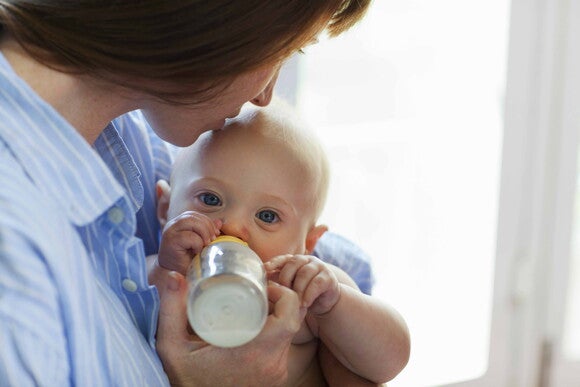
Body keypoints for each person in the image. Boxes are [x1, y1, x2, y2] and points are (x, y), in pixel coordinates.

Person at [0, 1, 374, 385]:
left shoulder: (131, 131)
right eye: (279, 51)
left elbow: (346, 268)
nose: (263, 97)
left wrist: (336, 304)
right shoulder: (17, 269)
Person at [152, 100, 411, 386]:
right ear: (165, 209)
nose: (234, 227)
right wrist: (168, 269)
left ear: (307, 243)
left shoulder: (304, 290)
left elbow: (391, 361)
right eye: (211, 199)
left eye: (267, 215)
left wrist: (334, 303)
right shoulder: (159, 273)